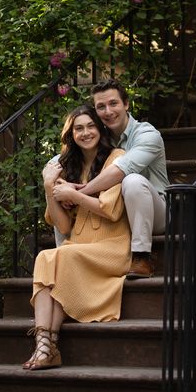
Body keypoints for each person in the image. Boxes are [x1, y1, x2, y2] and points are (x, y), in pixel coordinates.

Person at [25, 103, 131, 370]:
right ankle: (45, 346)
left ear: (101, 128)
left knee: (61, 258)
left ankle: (47, 347)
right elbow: (62, 227)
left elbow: (111, 210)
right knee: (46, 257)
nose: (85, 133)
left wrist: (74, 195)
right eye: (78, 128)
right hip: (79, 246)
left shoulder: (116, 157)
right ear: (70, 134)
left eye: (91, 126)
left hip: (112, 246)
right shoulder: (67, 167)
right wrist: (50, 187)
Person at [43, 78, 170, 279]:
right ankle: (65, 257)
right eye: (101, 107)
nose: (108, 111)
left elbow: (120, 170)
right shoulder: (100, 136)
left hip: (153, 213)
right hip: (116, 214)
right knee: (59, 182)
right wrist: (50, 175)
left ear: (126, 104)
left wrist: (76, 194)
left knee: (132, 181)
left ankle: (142, 257)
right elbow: (61, 159)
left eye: (113, 103)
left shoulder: (146, 134)